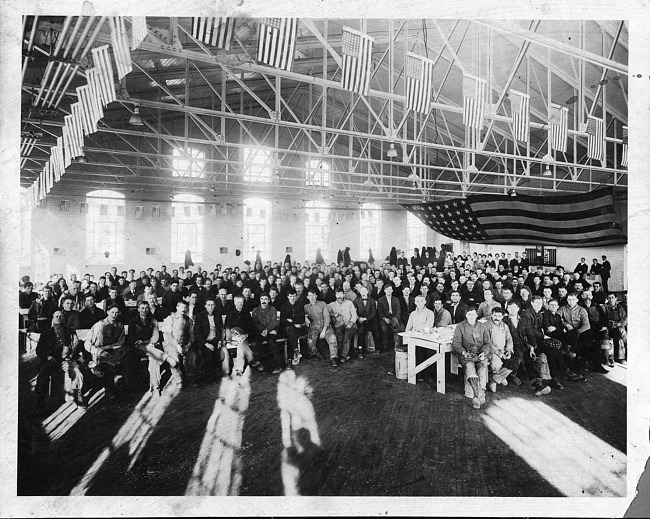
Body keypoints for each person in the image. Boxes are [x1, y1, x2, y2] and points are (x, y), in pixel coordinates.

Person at [34, 310, 85, 412]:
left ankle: (78, 397)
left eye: (61, 316)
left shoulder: (70, 332)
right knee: (42, 375)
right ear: (52, 318)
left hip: (68, 359)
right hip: (51, 360)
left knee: (77, 372)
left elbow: (76, 345)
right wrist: (47, 357)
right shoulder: (46, 333)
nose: (58, 318)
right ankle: (40, 402)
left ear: (64, 319)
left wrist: (70, 357)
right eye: (56, 316)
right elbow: (39, 350)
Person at [451, 307, 493, 409]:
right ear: (466, 315)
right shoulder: (460, 326)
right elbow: (456, 343)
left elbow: (488, 343)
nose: (471, 317)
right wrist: (464, 352)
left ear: (477, 315)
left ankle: (476, 396)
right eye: (469, 314)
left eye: (473, 314)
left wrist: (484, 352)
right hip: (466, 355)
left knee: (482, 368)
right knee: (470, 368)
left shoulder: (482, 326)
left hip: (480, 354)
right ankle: (478, 394)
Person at [85, 305, 127, 398]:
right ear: (107, 312)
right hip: (99, 351)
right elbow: (87, 344)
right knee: (106, 365)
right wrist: (99, 351)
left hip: (113, 351)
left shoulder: (119, 325)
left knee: (122, 355)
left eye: (116, 313)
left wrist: (110, 347)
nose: (114, 315)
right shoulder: (99, 325)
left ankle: (112, 390)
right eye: (112, 312)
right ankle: (106, 390)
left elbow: (122, 340)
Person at [127, 301, 162, 392]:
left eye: (146, 308)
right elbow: (132, 339)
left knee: (154, 359)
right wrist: (141, 343)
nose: (144, 310)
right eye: (142, 308)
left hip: (150, 345)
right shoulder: (133, 322)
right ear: (138, 309)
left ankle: (155, 387)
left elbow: (155, 336)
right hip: (137, 348)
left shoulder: (153, 321)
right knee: (153, 353)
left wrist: (146, 341)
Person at [161, 300, 195, 388]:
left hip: (184, 344)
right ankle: (179, 380)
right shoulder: (170, 318)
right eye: (181, 307)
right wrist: (177, 346)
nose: (183, 309)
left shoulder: (188, 320)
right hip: (171, 344)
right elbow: (167, 335)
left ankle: (190, 377)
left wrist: (188, 346)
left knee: (192, 355)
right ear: (177, 307)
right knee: (174, 356)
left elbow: (191, 335)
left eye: (185, 307)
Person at [193, 297, 227, 382]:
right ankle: (210, 378)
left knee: (219, 352)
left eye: (212, 305)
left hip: (215, 340)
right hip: (205, 341)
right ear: (205, 306)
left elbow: (220, 329)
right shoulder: (200, 316)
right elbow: (198, 333)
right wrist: (206, 344)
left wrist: (219, 340)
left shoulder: (217, 315)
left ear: (215, 305)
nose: (211, 307)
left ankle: (220, 374)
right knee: (209, 353)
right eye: (208, 305)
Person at [304, 288, 339, 366]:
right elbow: (304, 318)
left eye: (313, 295)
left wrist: (324, 330)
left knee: (332, 338)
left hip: (325, 325)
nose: (312, 298)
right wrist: (305, 318)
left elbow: (327, 316)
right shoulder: (306, 307)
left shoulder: (322, 304)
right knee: (310, 341)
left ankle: (334, 358)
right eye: (310, 296)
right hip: (313, 327)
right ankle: (315, 354)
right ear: (307, 297)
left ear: (316, 296)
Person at [250, 293, 281, 373]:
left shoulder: (273, 309)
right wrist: (262, 331)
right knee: (254, 343)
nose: (264, 301)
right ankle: (260, 363)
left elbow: (273, 322)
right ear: (260, 300)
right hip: (260, 333)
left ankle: (277, 366)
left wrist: (267, 330)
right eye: (262, 299)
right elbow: (255, 323)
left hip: (270, 332)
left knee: (272, 343)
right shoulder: (255, 310)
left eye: (266, 299)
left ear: (269, 300)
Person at [486, 307, 514, 392]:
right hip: (491, 351)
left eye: (499, 316)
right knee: (496, 364)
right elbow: (487, 342)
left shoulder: (505, 326)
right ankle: (497, 379)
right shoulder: (487, 325)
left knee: (514, 362)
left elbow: (509, 339)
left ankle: (495, 379)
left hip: (503, 350)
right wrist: (498, 353)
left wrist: (508, 350)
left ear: (502, 317)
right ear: (491, 315)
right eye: (495, 315)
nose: (496, 318)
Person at [328, 288, 358, 364]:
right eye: (338, 294)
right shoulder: (332, 305)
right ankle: (340, 354)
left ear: (344, 295)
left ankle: (343, 356)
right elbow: (325, 312)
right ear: (335, 295)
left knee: (347, 334)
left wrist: (351, 323)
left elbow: (354, 314)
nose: (339, 296)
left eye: (341, 294)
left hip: (351, 324)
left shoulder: (349, 303)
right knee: (338, 334)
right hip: (339, 325)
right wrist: (333, 314)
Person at [280, 289, 306, 365]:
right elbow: (283, 321)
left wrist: (291, 321)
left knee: (291, 334)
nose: (293, 298)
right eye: (291, 296)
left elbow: (302, 319)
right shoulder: (284, 306)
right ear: (288, 297)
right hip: (286, 329)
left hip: (298, 329)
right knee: (291, 331)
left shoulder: (300, 306)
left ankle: (289, 360)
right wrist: (294, 324)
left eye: (294, 296)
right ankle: (296, 351)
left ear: (296, 296)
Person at [376, 283, 403, 353]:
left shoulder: (396, 299)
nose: (389, 291)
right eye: (387, 290)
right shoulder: (381, 299)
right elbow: (379, 311)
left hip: (394, 317)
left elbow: (398, 310)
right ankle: (385, 345)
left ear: (392, 291)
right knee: (384, 328)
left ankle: (397, 345)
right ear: (384, 290)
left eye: (390, 290)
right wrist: (385, 318)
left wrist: (395, 318)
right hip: (384, 318)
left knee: (401, 327)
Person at [354, 286, 378, 359]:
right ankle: (360, 351)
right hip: (361, 321)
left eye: (365, 291)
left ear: (367, 292)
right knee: (361, 332)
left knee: (376, 330)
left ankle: (377, 348)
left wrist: (366, 318)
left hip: (370, 320)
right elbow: (354, 312)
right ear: (360, 292)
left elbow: (373, 312)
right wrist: (358, 318)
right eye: (362, 291)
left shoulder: (372, 300)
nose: (363, 293)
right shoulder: (356, 301)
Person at [604, 293, 627, 366]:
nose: (611, 299)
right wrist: (612, 323)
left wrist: (620, 324)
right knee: (617, 334)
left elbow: (624, 317)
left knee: (621, 334)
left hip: (618, 326)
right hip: (609, 327)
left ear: (616, 298)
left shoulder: (620, 307)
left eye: (612, 297)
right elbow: (603, 318)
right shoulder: (604, 307)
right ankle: (611, 358)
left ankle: (621, 357)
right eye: (609, 298)